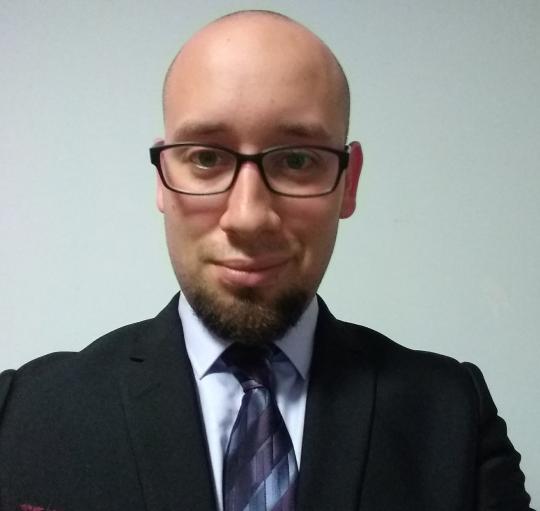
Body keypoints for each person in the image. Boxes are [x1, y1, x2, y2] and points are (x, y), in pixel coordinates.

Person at [0, 10, 533, 511]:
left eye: (297, 160)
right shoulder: (21, 414)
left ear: (348, 183)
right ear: (161, 179)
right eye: (206, 157)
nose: (249, 217)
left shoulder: (452, 414)